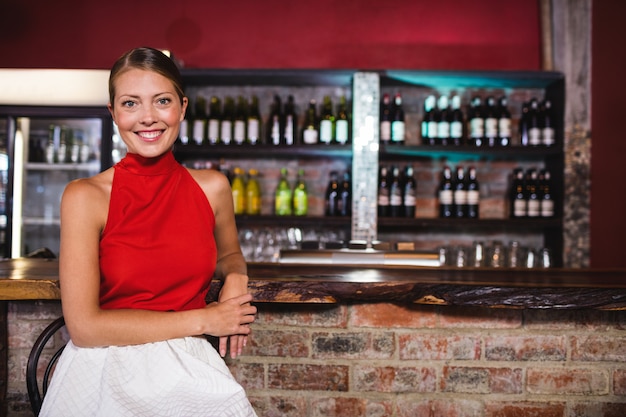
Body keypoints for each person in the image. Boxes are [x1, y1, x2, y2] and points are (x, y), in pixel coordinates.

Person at [40, 47, 258, 417]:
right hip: (103, 372)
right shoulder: (84, 196)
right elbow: (85, 328)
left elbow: (229, 254)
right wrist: (205, 318)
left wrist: (236, 276)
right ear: (113, 113)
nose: (147, 118)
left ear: (182, 107)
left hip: (190, 368)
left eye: (161, 101)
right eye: (130, 103)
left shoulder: (213, 188)